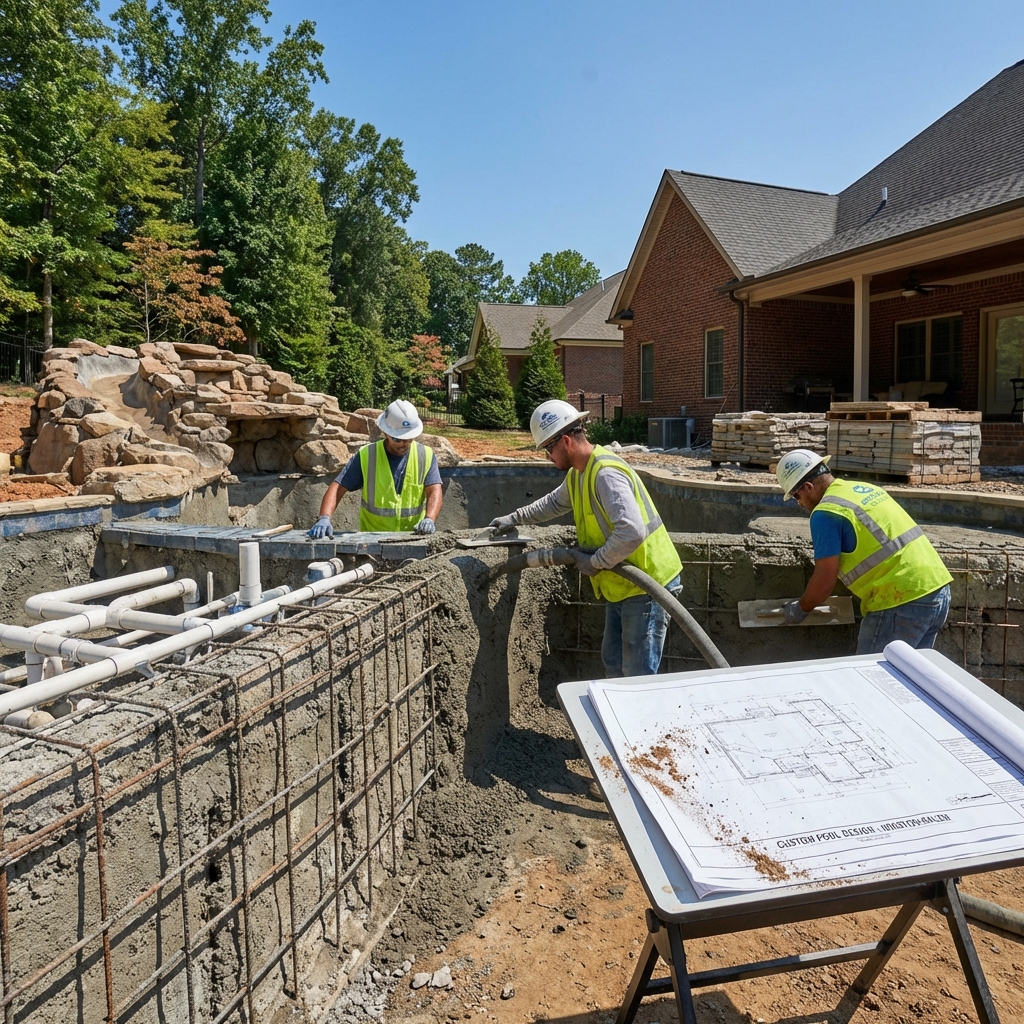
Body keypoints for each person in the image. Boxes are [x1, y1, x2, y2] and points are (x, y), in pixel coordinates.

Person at [490, 399, 683, 678]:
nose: (548, 456)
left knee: (637, 672)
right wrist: (514, 518)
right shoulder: (580, 474)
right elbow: (553, 504)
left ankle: (638, 721)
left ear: (566, 441)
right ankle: (619, 718)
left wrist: (596, 561)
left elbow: (632, 531)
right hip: (623, 584)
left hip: (648, 584)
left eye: (548, 449)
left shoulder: (605, 474)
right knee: (613, 660)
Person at [776, 448, 952, 654]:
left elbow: (824, 580)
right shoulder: (862, 488)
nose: (798, 503)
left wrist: (800, 608)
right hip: (937, 590)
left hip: (900, 601)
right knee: (909, 677)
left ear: (807, 487)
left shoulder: (826, 512)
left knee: (872, 678)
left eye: (796, 496)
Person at [308, 400, 442, 538]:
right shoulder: (367, 455)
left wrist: (429, 518)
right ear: (385, 432)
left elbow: (434, 490)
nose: (404, 444)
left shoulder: (425, 455)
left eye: (409, 439)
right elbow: (338, 488)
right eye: (398, 439)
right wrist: (324, 518)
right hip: (373, 540)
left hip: (412, 537)